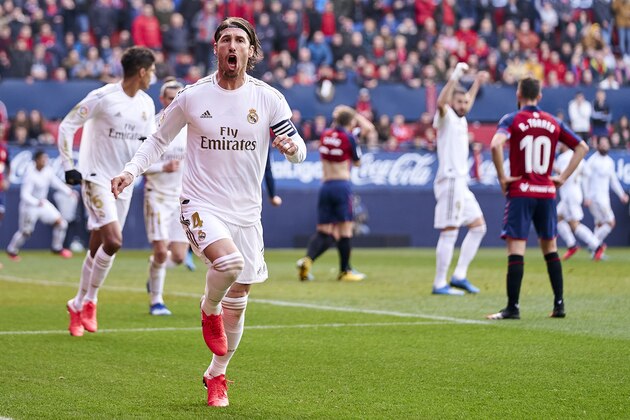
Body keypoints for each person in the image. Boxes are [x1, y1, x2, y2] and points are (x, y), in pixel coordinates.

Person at [111, 17, 307, 407]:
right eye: (226, 40)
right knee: (229, 265)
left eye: (241, 40)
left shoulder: (269, 98)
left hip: (247, 214)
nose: (233, 46)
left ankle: (217, 374)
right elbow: (157, 139)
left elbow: (299, 147)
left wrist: (292, 149)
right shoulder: (192, 96)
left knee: (241, 297)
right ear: (216, 48)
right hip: (200, 204)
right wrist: (132, 170)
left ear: (251, 52)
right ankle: (208, 308)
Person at [57, 46, 157, 337]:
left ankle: (76, 304)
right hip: (95, 177)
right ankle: (90, 301)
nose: (153, 76)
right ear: (141, 72)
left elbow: (148, 143)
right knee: (114, 241)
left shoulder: (147, 105)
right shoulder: (103, 97)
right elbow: (67, 125)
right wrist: (68, 166)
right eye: (151, 71)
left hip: (122, 183)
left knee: (99, 245)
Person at [488, 77, 589, 320]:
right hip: (546, 192)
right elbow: (582, 147)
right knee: (550, 248)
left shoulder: (511, 119)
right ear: (540, 97)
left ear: (518, 94)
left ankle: (513, 307)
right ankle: (560, 304)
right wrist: (562, 177)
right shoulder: (553, 121)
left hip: (521, 191)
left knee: (516, 249)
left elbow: (494, 145)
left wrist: (503, 177)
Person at [296, 104, 375, 283]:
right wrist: (355, 114)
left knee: (324, 232)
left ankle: (307, 261)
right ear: (352, 121)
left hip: (325, 186)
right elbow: (358, 161)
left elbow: (338, 129)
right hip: (341, 185)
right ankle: (344, 271)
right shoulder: (349, 137)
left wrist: (344, 116)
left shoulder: (325, 135)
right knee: (345, 230)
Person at [430, 63, 488, 296]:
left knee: (478, 227)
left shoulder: (461, 119)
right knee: (450, 231)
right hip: (451, 180)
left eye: (466, 102)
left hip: (461, 183)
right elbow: (441, 103)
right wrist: (454, 76)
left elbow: (468, 100)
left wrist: (477, 84)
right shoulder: (446, 118)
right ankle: (439, 283)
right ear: (453, 102)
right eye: (460, 102)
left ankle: (459, 275)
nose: (464, 105)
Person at [143, 78, 189, 316]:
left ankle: (155, 271)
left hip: (182, 199)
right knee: (161, 250)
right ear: (162, 100)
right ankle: (156, 301)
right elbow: (137, 163)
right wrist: (163, 168)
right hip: (157, 196)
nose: (174, 102)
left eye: (177, 98)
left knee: (179, 257)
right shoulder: (151, 126)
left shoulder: (191, 125)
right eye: (170, 98)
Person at [6, 150, 74, 261]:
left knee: (62, 223)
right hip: (29, 206)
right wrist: (36, 202)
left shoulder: (48, 170)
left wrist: (68, 191)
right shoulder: (30, 174)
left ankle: (57, 248)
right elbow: (24, 195)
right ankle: (11, 250)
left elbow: (55, 182)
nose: (45, 161)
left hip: (43, 204)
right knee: (25, 233)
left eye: (46, 159)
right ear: (36, 160)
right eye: (43, 159)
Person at [554, 143, 606, 261]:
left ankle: (597, 246)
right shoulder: (578, 156)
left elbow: (562, 174)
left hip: (569, 195)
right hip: (575, 192)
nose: (559, 145)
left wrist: (553, 167)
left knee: (575, 225)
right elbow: (587, 172)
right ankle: (572, 245)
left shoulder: (563, 157)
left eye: (561, 143)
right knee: (557, 217)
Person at [583, 136, 629, 249]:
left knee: (600, 224)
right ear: (597, 145)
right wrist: (586, 196)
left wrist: (622, 194)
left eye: (606, 143)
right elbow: (585, 179)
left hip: (604, 198)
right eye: (602, 143)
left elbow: (613, 181)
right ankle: (593, 243)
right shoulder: (592, 160)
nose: (604, 145)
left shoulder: (609, 161)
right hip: (596, 198)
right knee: (610, 222)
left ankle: (595, 251)